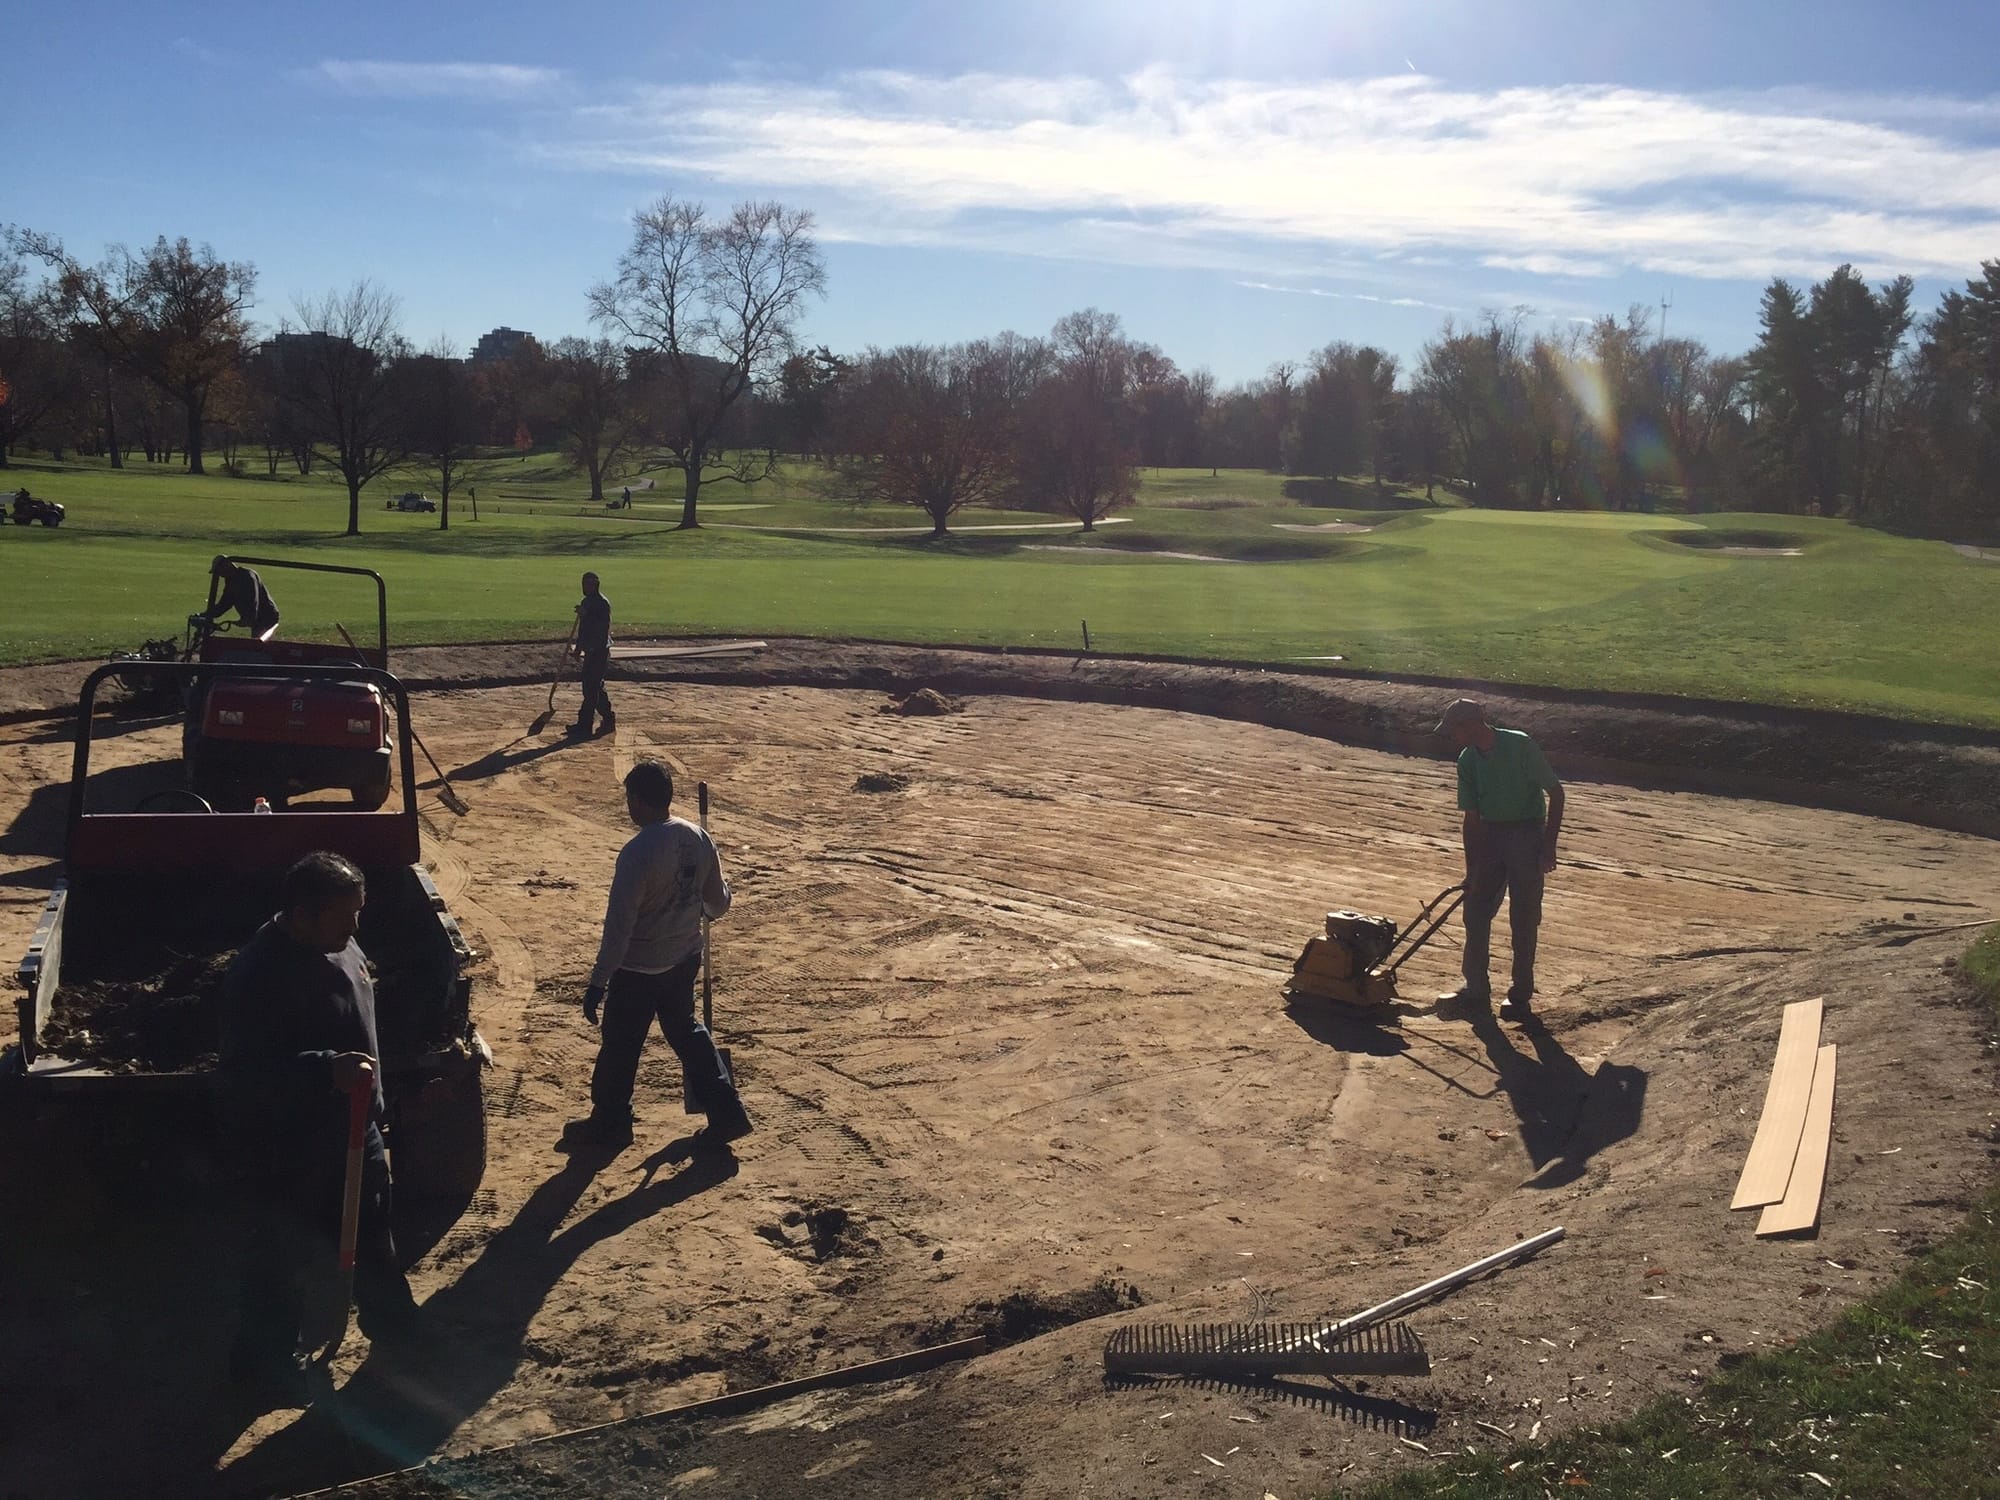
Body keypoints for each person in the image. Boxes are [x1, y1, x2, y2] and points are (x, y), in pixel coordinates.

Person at [219, 851, 421, 1400]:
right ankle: (261, 1368)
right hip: (292, 1148)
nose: (358, 927)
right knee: (280, 1260)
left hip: (357, 1131)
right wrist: (322, 1069)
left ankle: (397, 1329)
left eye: (360, 912)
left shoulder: (340, 942)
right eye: (345, 916)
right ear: (303, 914)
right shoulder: (260, 976)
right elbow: (243, 1074)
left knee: (375, 1237)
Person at [578, 759, 750, 1149]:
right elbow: (718, 904)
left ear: (639, 801)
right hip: (684, 958)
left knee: (621, 1043)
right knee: (687, 1032)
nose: (627, 806)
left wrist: (598, 982)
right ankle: (727, 1112)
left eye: (629, 798)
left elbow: (619, 927)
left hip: (639, 967)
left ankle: (611, 1122)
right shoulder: (698, 837)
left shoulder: (637, 853)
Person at [1433, 699, 1565, 1021]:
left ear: (1473, 724)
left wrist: (1548, 846)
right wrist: (1471, 871)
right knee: (1475, 912)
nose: (1453, 737)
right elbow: (1472, 819)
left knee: (1523, 918)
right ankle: (1476, 990)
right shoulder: (1467, 761)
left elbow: (1556, 792)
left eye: (1456, 730)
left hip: (1526, 836)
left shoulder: (1519, 745)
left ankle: (1520, 996)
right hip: (1490, 838)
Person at [567, 571, 615, 739]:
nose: (587, 587)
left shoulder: (602, 603)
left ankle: (585, 724)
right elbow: (583, 630)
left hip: (600, 650)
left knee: (591, 686)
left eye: (590, 584)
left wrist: (586, 615)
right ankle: (608, 717)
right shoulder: (586, 602)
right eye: (585, 584)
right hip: (590, 649)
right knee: (594, 685)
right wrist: (578, 649)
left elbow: (602, 628)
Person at [201, 555, 281, 641]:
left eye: (219, 571)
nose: (220, 575)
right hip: (256, 617)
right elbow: (225, 603)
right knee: (256, 642)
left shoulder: (247, 576)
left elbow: (253, 600)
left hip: (267, 616)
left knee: (258, 644)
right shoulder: (230, 580)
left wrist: (249, 618)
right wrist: (207, 614)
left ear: (226, 565)